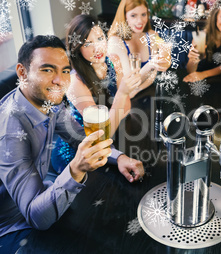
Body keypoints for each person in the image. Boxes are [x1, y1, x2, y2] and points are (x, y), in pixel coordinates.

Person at [0, 35, 144, 253]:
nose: (60, 80)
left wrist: (120, 158)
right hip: (12, 227)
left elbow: (78, 137)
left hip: (43, 190)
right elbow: (36, 218)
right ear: (22, 72)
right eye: (47, 70)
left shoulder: (49, 101)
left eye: (65, 70)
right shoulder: (9, 133)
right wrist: (76, 170)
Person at [51, 14, 141, 173]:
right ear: (77, 48)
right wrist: (121, 94)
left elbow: (126, 108)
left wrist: (122, 97)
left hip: (108, 140)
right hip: (78, 152)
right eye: (87, 43)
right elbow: (100, 137)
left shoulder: (113, 60)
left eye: (100, 38)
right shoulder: (74, 82)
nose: (97, 48)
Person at [107, 0, 170, 90]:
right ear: (124, 16)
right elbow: (128, 84)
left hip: (143, 93)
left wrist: (137, 90)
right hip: (120, 100)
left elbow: (152, 76)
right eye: (133, 15)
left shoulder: (152, 35)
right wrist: (151, 65)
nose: (140, 21)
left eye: (143, 14)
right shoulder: (115, 42)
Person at [183, 0, 221, 82]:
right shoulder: (201, 36)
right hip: (199, 82)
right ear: (215, 17)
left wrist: (204, 74)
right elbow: (190, 71)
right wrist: (193, 61)